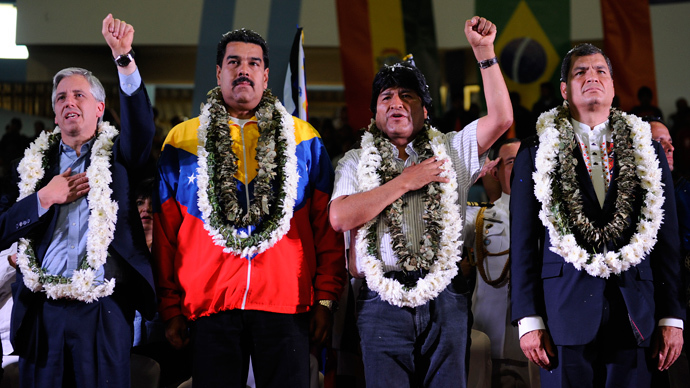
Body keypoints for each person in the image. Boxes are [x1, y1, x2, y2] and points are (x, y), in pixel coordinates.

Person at [153, 28, 346, 388]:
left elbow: (326, 228)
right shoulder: (181, 140)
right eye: (234, 62)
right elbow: (165, 234)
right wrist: (169, 306)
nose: (244, 69)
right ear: (218, 72)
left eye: (253, 63)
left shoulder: (303, 138)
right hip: (210, 306)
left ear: (266, 75)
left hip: (287, 306)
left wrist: (325, 299)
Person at [329, 16, 512, 387]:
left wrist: (484, 52)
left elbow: (502, 118)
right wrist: (405, 180)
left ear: (425, 110)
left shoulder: (452, 150)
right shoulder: (354, 160)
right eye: (386, 97)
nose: (396, 102)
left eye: (407, 96)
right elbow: (339, 217)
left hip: (445, 296)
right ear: (375, 114)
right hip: (380, 301)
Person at [510, 43, 685, 388]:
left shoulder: (646, 148)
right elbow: (524, 243)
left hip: (636, 309)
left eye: (600, 71)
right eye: (580, 72)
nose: (592, 77)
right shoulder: (535, 151)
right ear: (564, 90)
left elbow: (668, 238)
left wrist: (672, 315)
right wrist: (528, 319)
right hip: (563, 313)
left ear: (613, 86)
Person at [0, 14, 157, 388]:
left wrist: (123, 58)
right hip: (42, 310)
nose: (69, 102)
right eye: (61, 98)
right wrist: (43, 198)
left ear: (99, 109)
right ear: (54, 113)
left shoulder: (119, 155)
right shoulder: (33, 165)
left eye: (79, 95)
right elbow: (3, 226)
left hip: (103, 309)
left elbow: (142, 129)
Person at [464, 138, 540, 388]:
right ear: (495, 172)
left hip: (540, 340)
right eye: (512, 162)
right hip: (491, 339)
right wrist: (469, 173)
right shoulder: (480, 217)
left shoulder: (554, 217)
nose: (522, 168)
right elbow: (443, 216)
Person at [644, 116, 690, 388]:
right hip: (646, 317)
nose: (669, 148)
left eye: (670, 142)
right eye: (660, 142)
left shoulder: (686, 192)